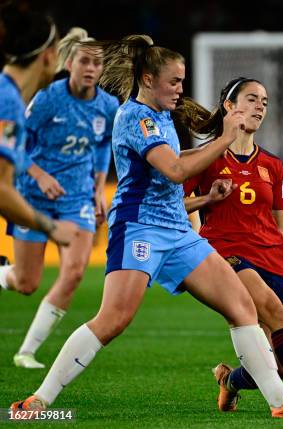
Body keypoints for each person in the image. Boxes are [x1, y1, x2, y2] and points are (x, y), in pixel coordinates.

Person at [11, 35, 283, 418]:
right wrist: (226, 138)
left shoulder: (161, 115)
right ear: (148, 79)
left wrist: (205, 186)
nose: (181, 89)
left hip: (179, 232)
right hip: (140, 228)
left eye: (182, 81)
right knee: (113, 319)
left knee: (242, 306)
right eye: (175, 81)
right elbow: (175, 170)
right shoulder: (135, 117)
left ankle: (280, 401)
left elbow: (176, 158)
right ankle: (39, 400)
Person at [183, 77, 283, 418]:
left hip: (273, 257)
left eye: (264, 102)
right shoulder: (205, 159)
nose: (260, 107)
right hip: (228, 252)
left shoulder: (273, 165)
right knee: (272, 310)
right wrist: (207, 202)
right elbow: (175, 205)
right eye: (252, 99)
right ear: (230, 106)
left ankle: (230, 382)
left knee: (279, 362)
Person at [3, 28, 119, 369]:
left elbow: (102, 147)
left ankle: (26, 352)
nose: (91, 68)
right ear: (69, 63)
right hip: (32, 196)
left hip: (77, 198)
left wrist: (99, 188)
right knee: (26, 283)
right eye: (84, 60)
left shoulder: (108, 106)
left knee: (74, 272)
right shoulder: (47, 98)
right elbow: (17, 143)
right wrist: (39, 174)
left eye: (97, 63)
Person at [0, 3, 78, 264]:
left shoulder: (9, 96)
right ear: (47, 56)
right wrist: (52, 227)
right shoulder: (8, 102)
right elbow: (1, 189)